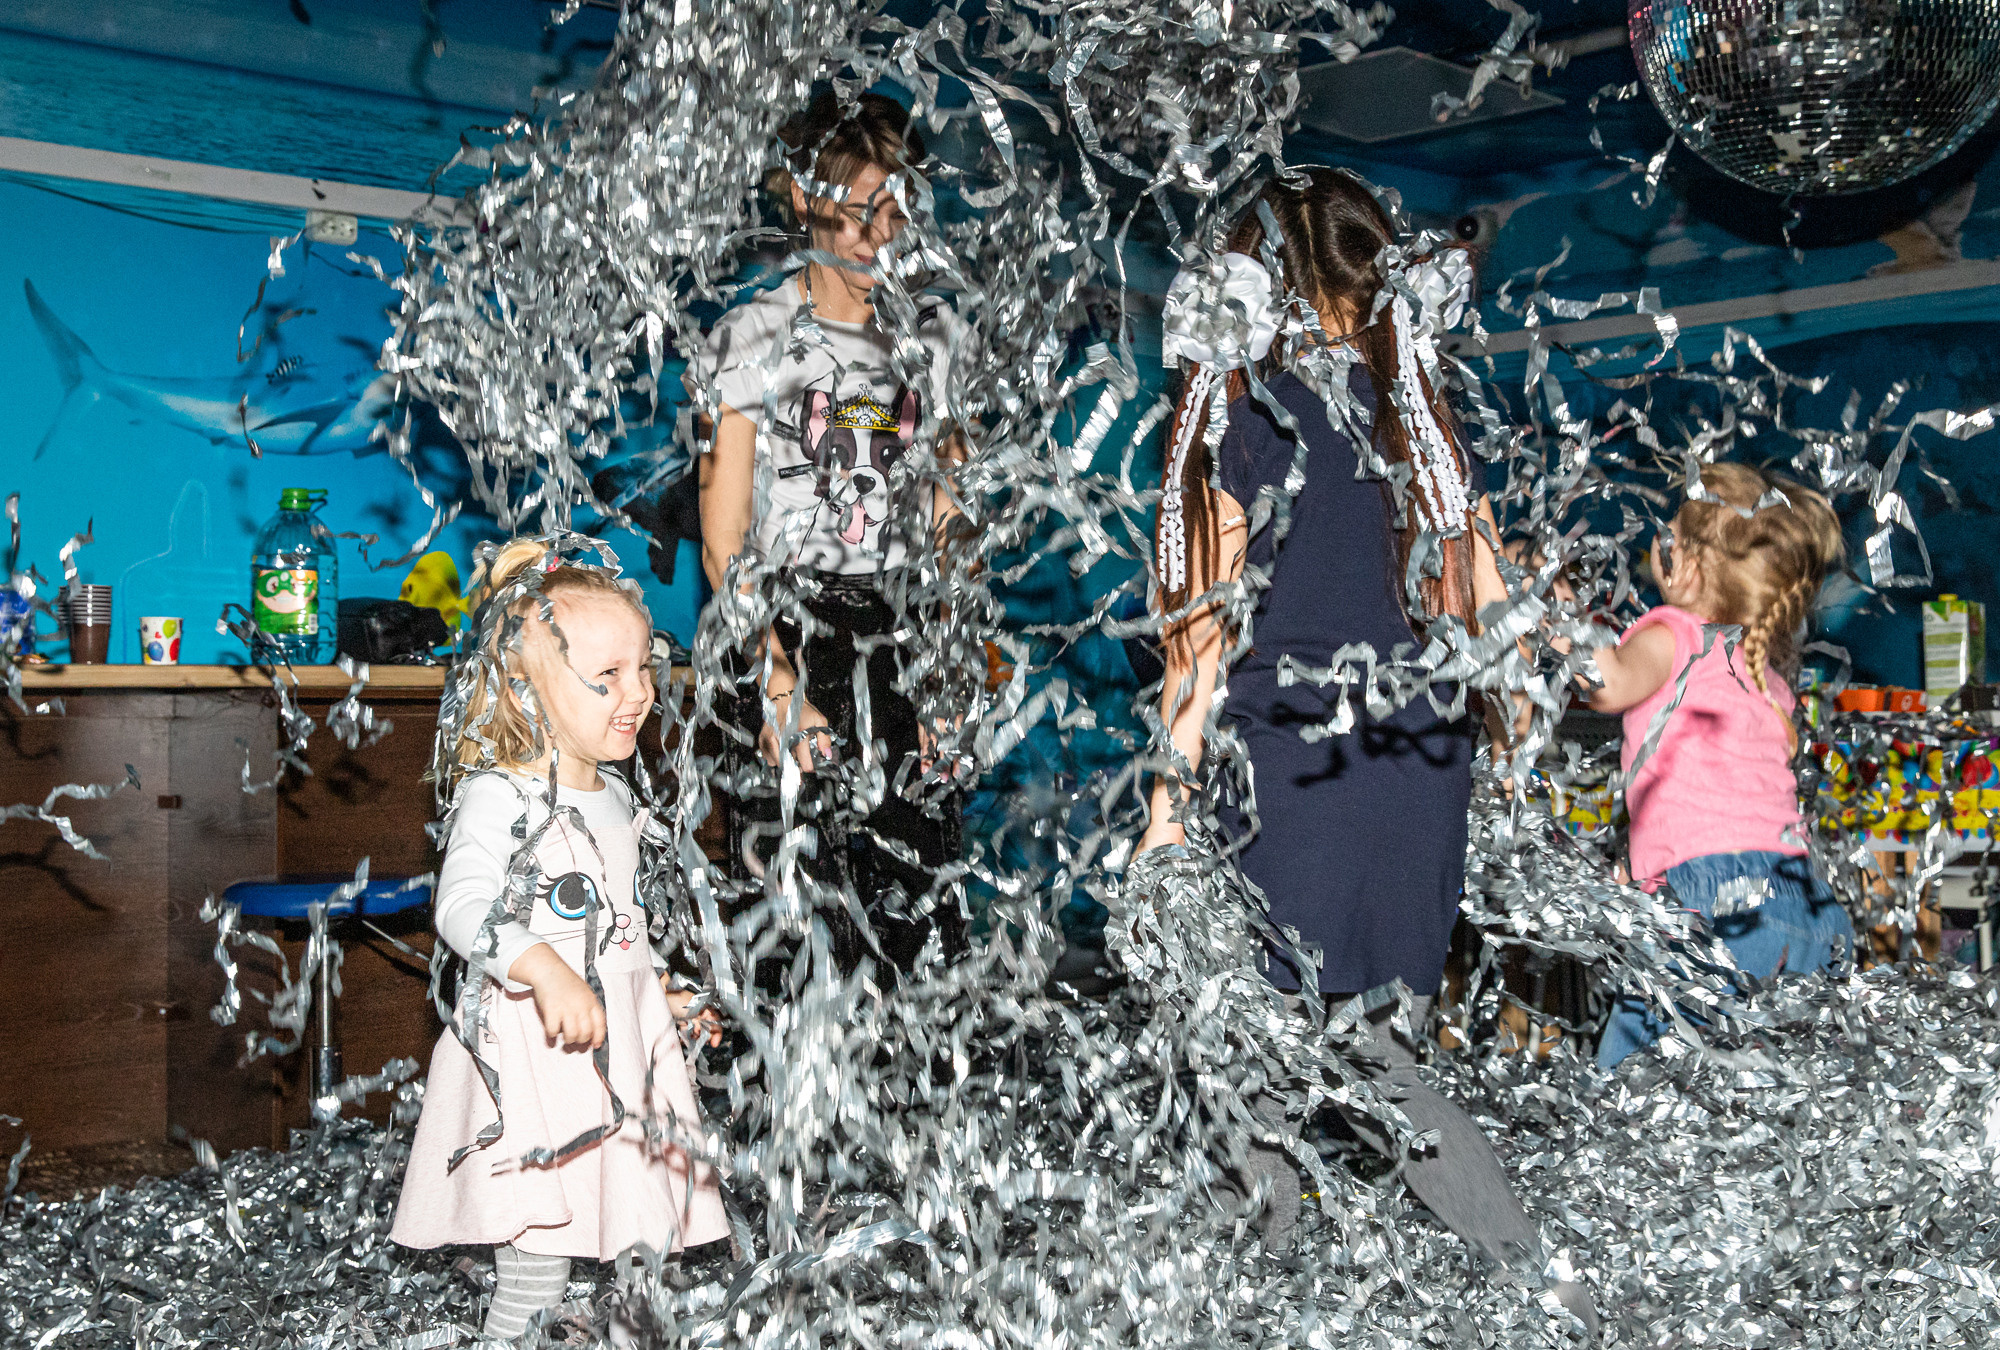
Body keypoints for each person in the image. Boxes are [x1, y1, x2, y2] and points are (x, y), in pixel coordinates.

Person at [1134, 166, 1597, 1333]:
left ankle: (1281, 1283)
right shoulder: (1416, 421)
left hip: (1294, 772)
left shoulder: (1236, 420)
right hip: (1416, 766)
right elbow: (1494, 613)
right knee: (1377, 1046)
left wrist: (1162, 809)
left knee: (1245, 1043)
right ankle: (1494, 1277)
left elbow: (1197, 643)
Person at [392, 539, 728, 1342]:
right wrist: (540, 966)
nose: (639, 693)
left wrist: (658, 995)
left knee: (635, 1242)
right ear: (526, 687)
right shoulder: (500, 793)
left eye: (645, 669)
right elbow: (462, 906)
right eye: (606, 677)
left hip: (618, 1057)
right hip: (536, 1066)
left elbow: (615, 924)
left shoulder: (616, 793)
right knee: (538, 1266)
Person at [691, 90, 971, 977]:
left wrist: (953, 671)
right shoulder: (749, 337)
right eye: (857, 213)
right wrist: (776, 683)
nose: (876, 236)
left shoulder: (934, 340)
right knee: (798, 927)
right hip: (783, 625)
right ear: (804, 199)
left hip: (898, 632)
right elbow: (723, 540)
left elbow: (949, 517)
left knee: (916, 924)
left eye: (895, 213)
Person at [1586, 462, 1852, 1068]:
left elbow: (1609, 684)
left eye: (1670, 534)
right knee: (1765, 1102)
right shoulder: (1764, 676)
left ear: (1691, 560)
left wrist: (1555, 620)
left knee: (1630, 1087)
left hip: (1714, 902)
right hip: (1805, 907)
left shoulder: (1676, 632)